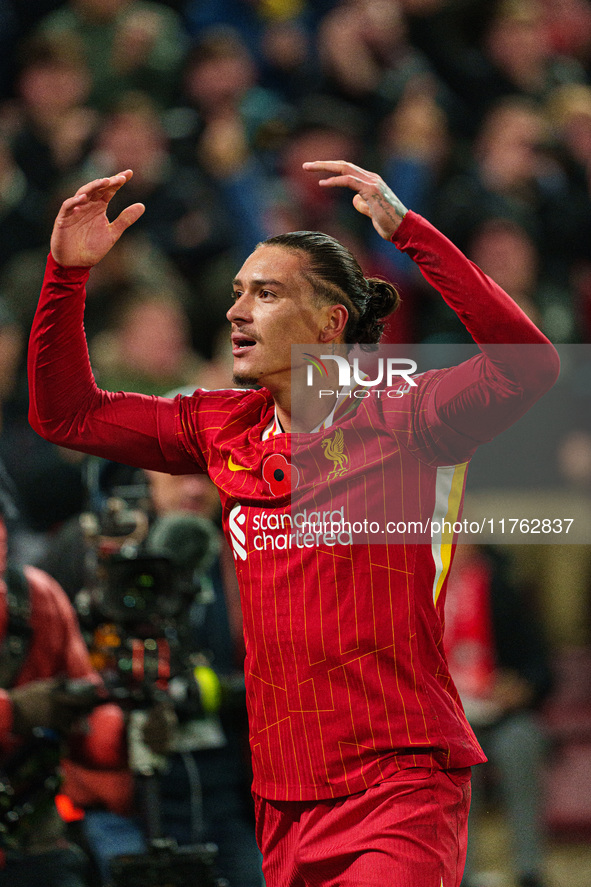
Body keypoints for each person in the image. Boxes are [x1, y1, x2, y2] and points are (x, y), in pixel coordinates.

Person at [27, 160, 559, 886]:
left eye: (266, 293)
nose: (235, 311)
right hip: (282, 795)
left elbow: (528, 366)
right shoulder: (219, 426)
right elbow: (65, 413)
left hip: (398, 784)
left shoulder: (406, 414)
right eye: (238, 292)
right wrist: (66, 274)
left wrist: (409, 232)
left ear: (329, 322)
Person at [0, 469, 105, 886]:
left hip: (33, 839)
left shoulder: (38, 596)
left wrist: (120, 723)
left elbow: (94, 731)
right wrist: (15, 712)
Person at [444, 544, 553, 887]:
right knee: (458, 766)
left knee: (520, 745)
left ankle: (529, 869)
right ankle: (462, 873)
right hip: (448, 719)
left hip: (503, 713)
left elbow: (541, 667)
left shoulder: (504, 588)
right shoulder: (422, 588)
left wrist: (521, 687)